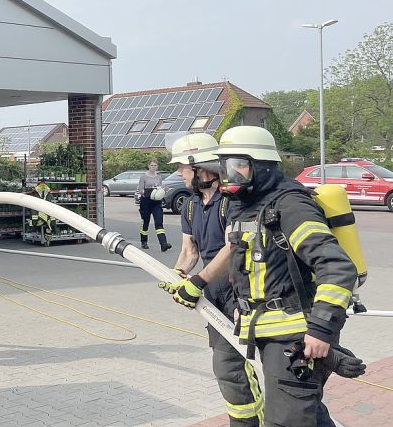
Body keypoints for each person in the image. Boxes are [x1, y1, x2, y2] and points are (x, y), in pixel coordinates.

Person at [165, 126, 358, 427]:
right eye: (226, 166)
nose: (229, 175)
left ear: (261, 165)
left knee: (287, 420)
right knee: (305, 416)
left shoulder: (291, 205)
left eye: (237, 166)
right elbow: (246, 268)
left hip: (295, 335)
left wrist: (320, 330)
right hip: (267, 331)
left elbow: (336, 267)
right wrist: (244, 310)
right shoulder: (247, 207)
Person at [160, 134, 263, 425]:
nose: (179, 173)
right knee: (230, 366)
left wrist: (198, 281)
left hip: (238, 291)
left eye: (182, 167)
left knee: (229, 366)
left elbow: (233, 249)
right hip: (213, 294)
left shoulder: (231, 202)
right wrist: (177, 275)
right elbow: (189, 251)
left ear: (202, 167)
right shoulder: (191, 205)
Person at [136, 159, 170, 251]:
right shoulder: (143, 177)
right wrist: (149, 191)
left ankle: (163, 244)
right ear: (148, 166)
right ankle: (144, 241)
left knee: (159, 222)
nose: (153, 167)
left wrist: (162, 190)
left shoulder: (158, 177)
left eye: (155, 165)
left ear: (157, 167)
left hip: (156, 202)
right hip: (146, 202)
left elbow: (160, 188)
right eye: (152, 165)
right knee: (145, 222)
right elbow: (140, 190)